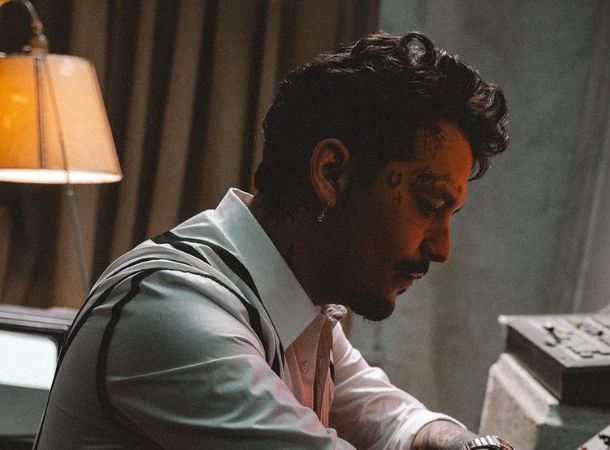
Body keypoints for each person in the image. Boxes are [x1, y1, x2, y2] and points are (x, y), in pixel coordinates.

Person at [35, 31, 511, 449]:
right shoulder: (172, 310)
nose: (441, 248)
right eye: (429, 205)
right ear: (333, 174)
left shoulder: (297, 305)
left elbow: (393, 420)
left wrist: (468, 444)